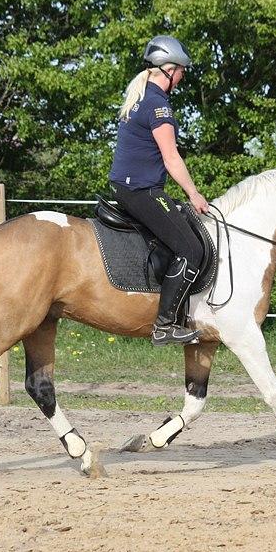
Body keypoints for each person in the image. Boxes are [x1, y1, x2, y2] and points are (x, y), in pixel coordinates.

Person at [109, 34, 209, 346]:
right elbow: (171, 157)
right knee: (191, 250)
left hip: (125, 187)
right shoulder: (157, 106)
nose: (182, 78)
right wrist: (194, 193)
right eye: (181, 72)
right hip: (142, 190)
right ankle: (165, 325)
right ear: (169, 70)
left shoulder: (139, 97)